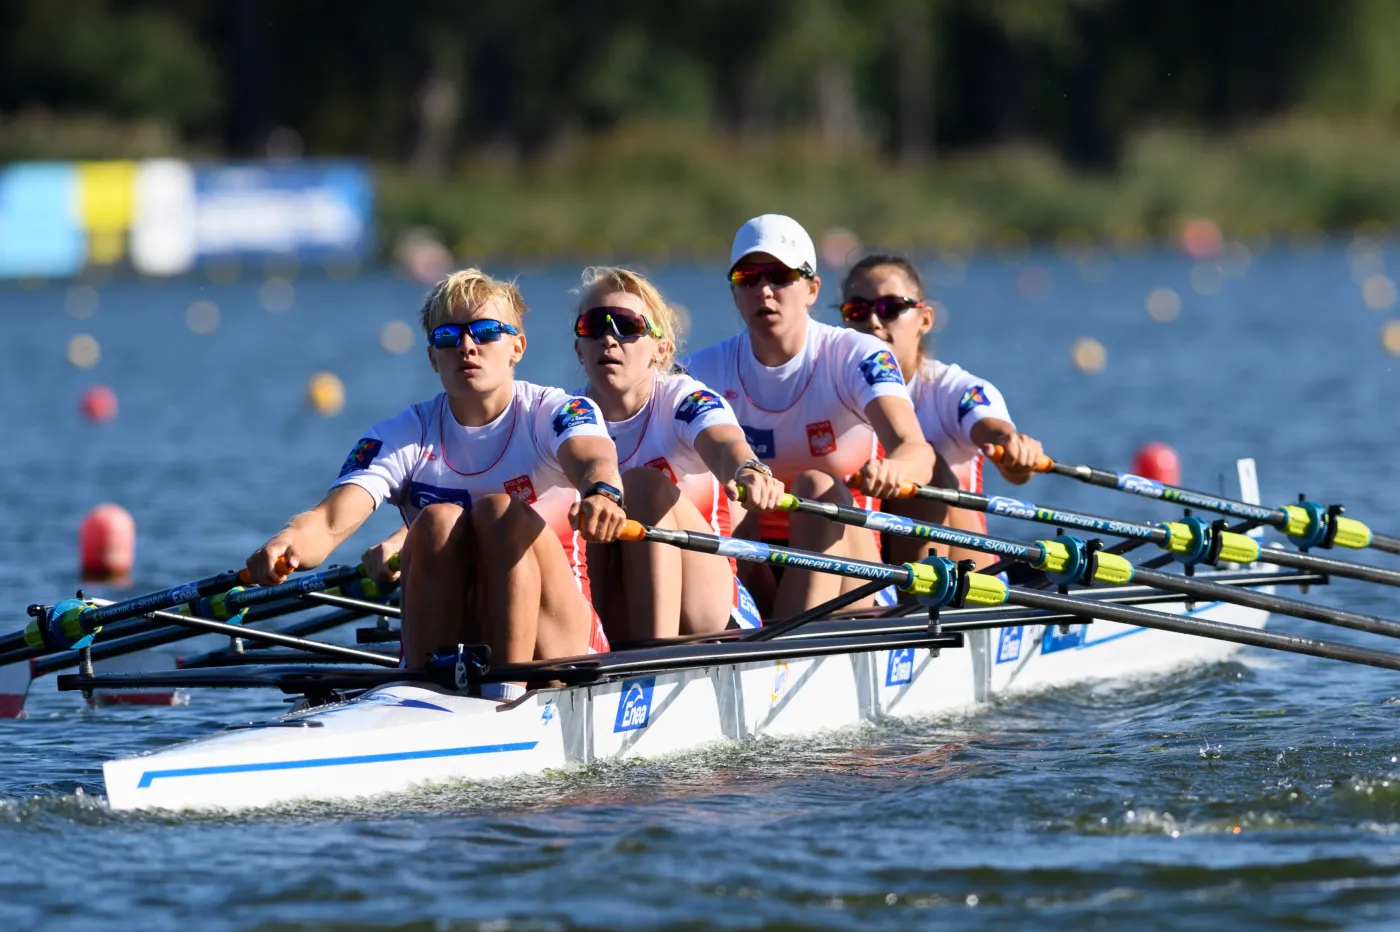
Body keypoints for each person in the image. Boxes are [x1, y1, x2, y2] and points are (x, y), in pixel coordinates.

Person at [244, 269, 626, 700]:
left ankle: (506, 690)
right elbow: (329, 521)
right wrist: (286, 542)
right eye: (449, 336)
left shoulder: (555, 410)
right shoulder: (403, 433)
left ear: (517, 346)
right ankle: (421, 692)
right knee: (438, 521)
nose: (467, 346)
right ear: (432, 357)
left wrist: (603, 493)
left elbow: (594, 459)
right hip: (453, 640)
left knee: (497, 511)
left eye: (486, 332)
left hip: (561, 645)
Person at [684, 215, 935, 618]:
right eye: (748, 277)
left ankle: (776, 643)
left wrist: (896, 469)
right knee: (723, 498)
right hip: (751, 564)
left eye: (781, 276)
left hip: (851, 573)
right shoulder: (701, 371)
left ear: (812, 289)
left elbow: (917, 450)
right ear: (734, 291)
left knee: (815, 486)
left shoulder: (859, 356)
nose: (764, 290)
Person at [573, 266, 784, 642]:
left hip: (713, 609)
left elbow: (725, 444)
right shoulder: (563, 417)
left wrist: (748, 468)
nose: (609, 338)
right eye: (594, 326)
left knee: (641, 487)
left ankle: (651, 662)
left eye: (627, 325)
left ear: (661, 349)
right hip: (612, 596)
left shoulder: (684, 399)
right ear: (578, 347)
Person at [839, 254, 1044, 569]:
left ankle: (919, 603)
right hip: (870, 563)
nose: (873, 322)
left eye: (890, 308)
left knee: (924, 463)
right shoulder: (829, 386)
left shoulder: (954, 389)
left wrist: (1013, 449)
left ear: (925, 319)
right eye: (857, 311)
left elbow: (995, 434)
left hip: (968, 576)